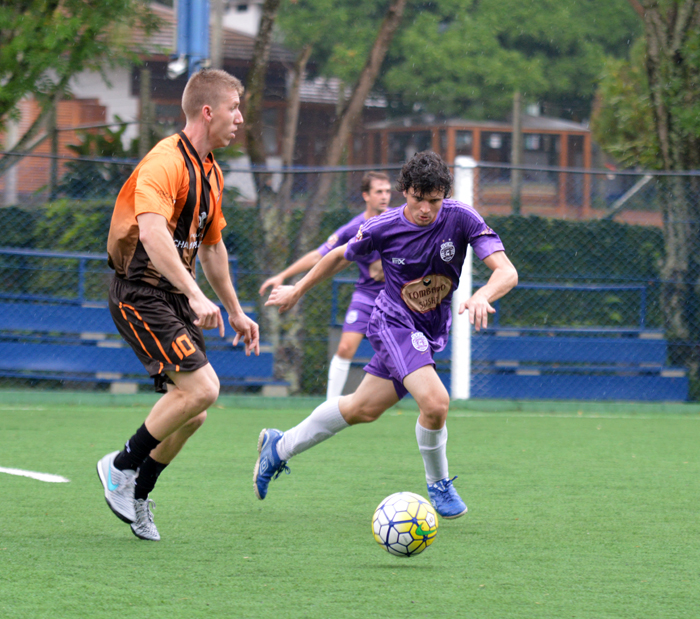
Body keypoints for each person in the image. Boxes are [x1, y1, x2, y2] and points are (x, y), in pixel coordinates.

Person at [254, 151, 517, 518]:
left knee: (361, 409)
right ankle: (439, 484)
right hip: (391, 322)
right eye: (418, 199)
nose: (426, 209)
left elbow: (506, 271)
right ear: (404, 191)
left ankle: (278, 448)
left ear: (445, 195)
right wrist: (298, 289)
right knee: (436, 402)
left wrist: (482, 294)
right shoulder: (384, 225)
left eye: (434, 200)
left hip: (427, 329)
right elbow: (337, 256)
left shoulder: (461, 217)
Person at [98, 69, 260, 541]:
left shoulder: (211, 172)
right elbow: (151, 232)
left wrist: (233, 309)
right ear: (208, 112)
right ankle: (120, 466)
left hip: (171, 297)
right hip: (139, 292)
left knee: (194, 409)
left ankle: (139, 493)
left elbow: (211, 249)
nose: (240, 118)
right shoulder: (164, 162)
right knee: (203, 389)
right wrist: (194, 294)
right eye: (234, 108)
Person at [259, 172, 392, 398]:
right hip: (366, 296)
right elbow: (319, 256)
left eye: (388, 191)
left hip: (396, 299)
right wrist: (282, 275)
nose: (385, 196)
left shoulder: (399, 221)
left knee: (399, 356)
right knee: (344, 349)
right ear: (365, 196)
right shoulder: (355, 228)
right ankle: (329, 406)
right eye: (379, 191)